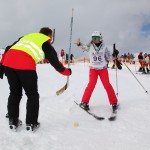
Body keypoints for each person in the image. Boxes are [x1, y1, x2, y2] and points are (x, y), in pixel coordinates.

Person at [0, 27, 72, 131]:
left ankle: (13, 120)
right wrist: (67, 72)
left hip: (9, 64)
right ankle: (31, 123)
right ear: (49, 36)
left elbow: (8, 48)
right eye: (51, 37)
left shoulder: (26, 37)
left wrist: (1, 67)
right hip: (25, 66)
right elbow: (55, 62)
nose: (51, 40)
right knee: (32, 95)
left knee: (15, 93)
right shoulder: (45, 43)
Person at [75, 31, 119, 112]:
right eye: (93, 38)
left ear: (100, 38)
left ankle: (114, 103)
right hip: (93, 69)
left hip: (103, 69)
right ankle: (84, 102)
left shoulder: (104, 47)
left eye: (97, 38)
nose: (95, 40)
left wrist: (115, 55)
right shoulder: (90, 46)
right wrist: (79, 44)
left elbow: (109, 58)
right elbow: (84, 47)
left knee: (107, 85)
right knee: (91, 85)